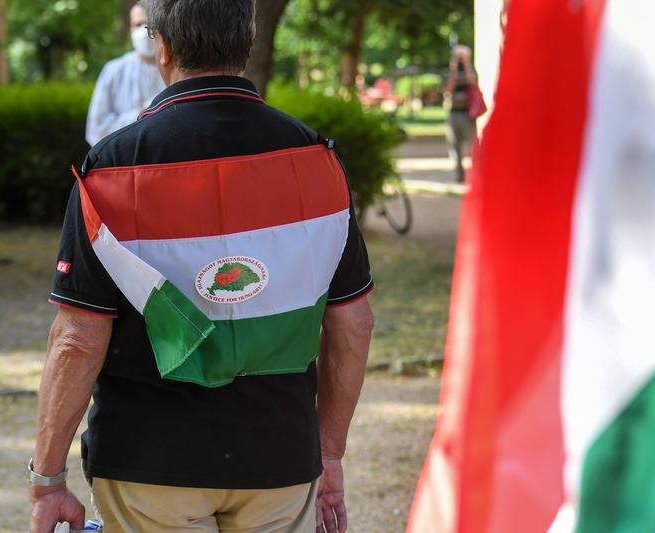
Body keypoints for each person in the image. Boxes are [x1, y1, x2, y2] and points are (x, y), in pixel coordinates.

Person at [28, 1, 375, 532]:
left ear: (161, 46)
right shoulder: (315, 162)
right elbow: (353, 322)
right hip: (280, 456)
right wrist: (328, 454)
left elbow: (77, 339)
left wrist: (48, 479)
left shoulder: (112, 169)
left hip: (148, 460)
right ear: (250, 36)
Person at [84, 2, 165, 146]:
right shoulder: (113, 71)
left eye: (149, 24)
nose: (144, 31)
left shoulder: (178, 69)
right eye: (138, 24)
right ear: (131, 29)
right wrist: (140, 113)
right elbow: (96, 131)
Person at [444, 45, 485, 182]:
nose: (460, 60)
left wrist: (467, 65)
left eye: (463, 56)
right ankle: (459, 175)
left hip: (467, 114)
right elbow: (448, 89)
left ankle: (476, 173)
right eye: (458, 56)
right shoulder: (450, 72)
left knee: (472, 145)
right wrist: (454, 69)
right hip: (454, 113)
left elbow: (473, 82)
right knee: (454, 145)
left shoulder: (472, 70)